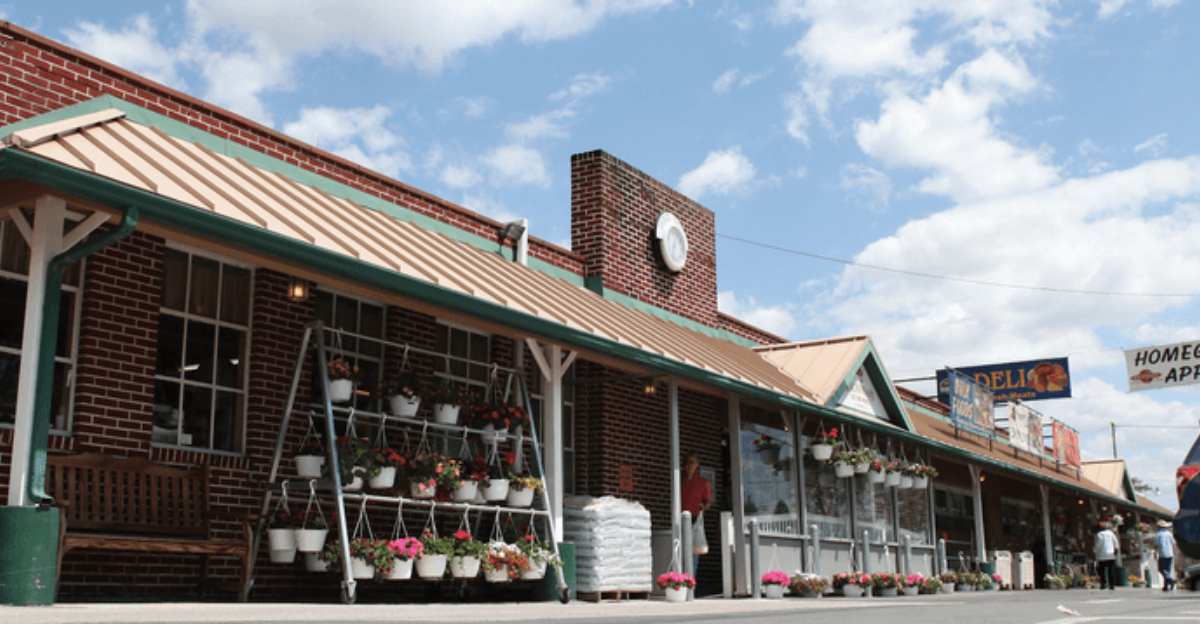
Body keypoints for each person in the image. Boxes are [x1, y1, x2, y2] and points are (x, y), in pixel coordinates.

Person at [681, 454, 712, 573]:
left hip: (693, 521)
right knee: (680, 549)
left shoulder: (703, 483)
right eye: (687, 462)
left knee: (693, 551)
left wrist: (703, 507)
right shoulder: (679, 479)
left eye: (692, 463)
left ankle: (690, 579)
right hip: (679, 520)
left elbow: (708, 502)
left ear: (697, 465)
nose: (689, 466)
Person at [1094, 521, 1120, 590]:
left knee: (1102, 570)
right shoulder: (1111, 533)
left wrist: (1094, 549)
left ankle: (1104, 584)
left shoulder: (1100, 534)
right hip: (1111, 554)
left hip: (1103, 554)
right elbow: (1116, 542)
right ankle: (1112, 584)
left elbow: (1099, 543)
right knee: (1111, 570)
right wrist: (1116, 549)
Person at [1155, 519, 1178, 591]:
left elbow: (1156, 545)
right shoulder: (1169, 534)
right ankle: (1166, 586)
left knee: (1161, 569)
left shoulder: (1158, 534)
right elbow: (1174, 543)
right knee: (1167, 570)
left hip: (1163, 554)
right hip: (1170, 553)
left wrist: (1155, 552)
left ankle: (1170, 580)